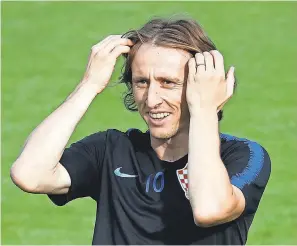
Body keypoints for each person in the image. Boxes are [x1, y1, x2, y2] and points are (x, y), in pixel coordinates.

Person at [10, 17, 271, 245]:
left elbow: (209, 209)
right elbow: (29, 174)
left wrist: (205, 109)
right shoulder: (112, 150)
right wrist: (89, 85)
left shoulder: (242, 156)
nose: (152, 99)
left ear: (200, 86)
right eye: (142, 82)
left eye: (168, 83)